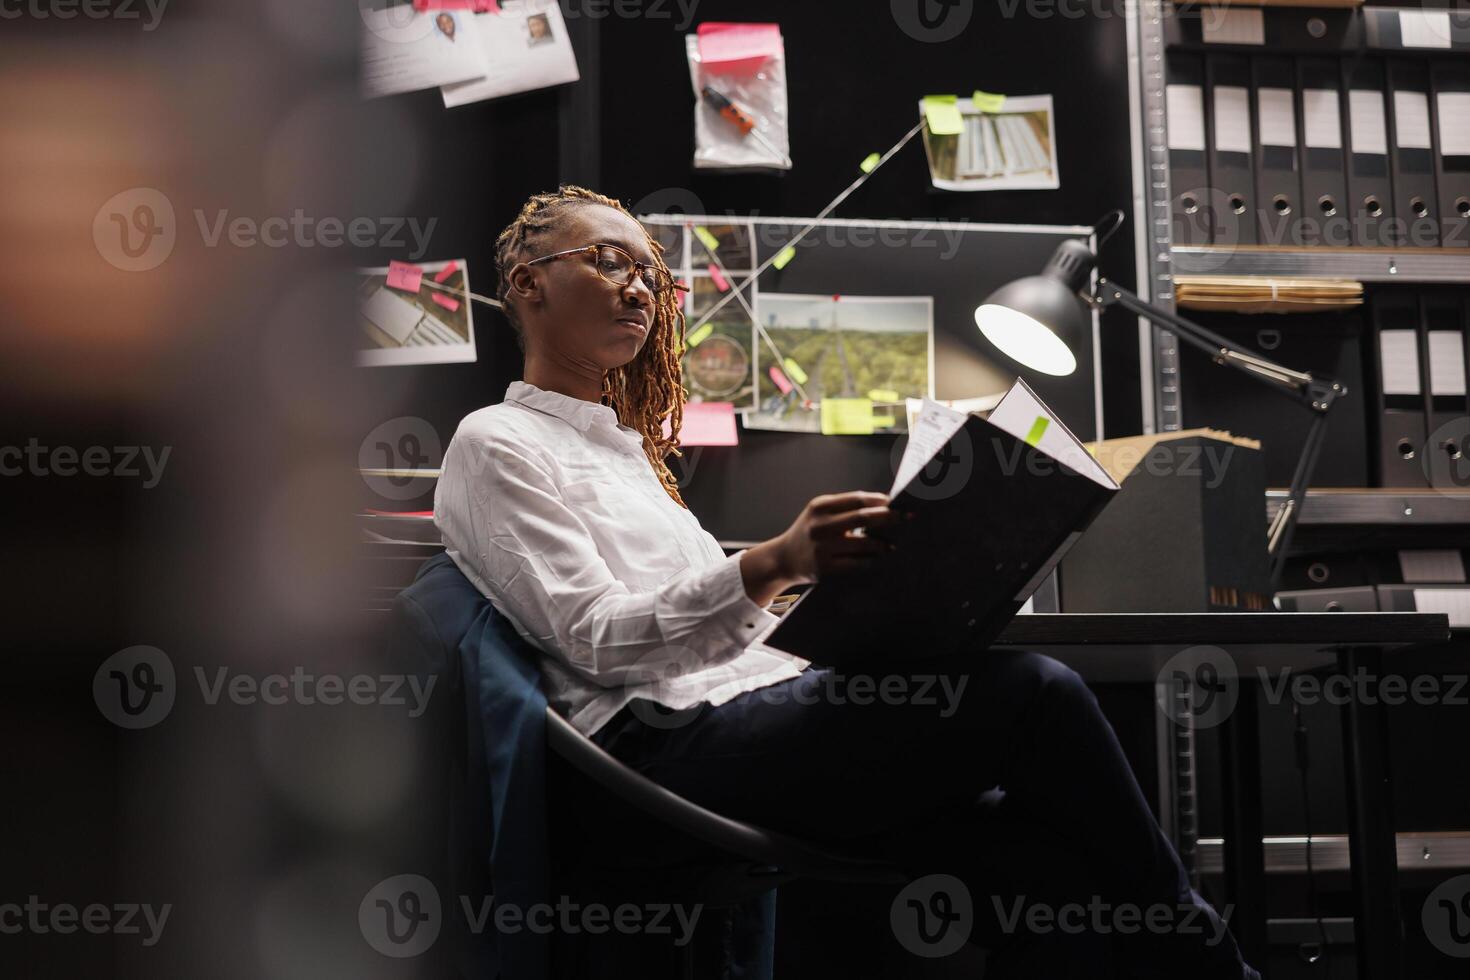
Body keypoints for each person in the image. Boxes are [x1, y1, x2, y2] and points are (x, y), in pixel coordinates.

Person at [433, 185, 1260, 978]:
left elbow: (704, 628)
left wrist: (875, 603)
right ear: (529, 283)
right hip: (654, 753)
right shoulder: (497, 442)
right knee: (1039, 692)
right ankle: (1205, 958)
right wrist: (775, 562)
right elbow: (598, 638)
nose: (640, 285)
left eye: (650, 269)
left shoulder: (628, 455)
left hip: (736, 718)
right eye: (610, 261)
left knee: (1042, 868)